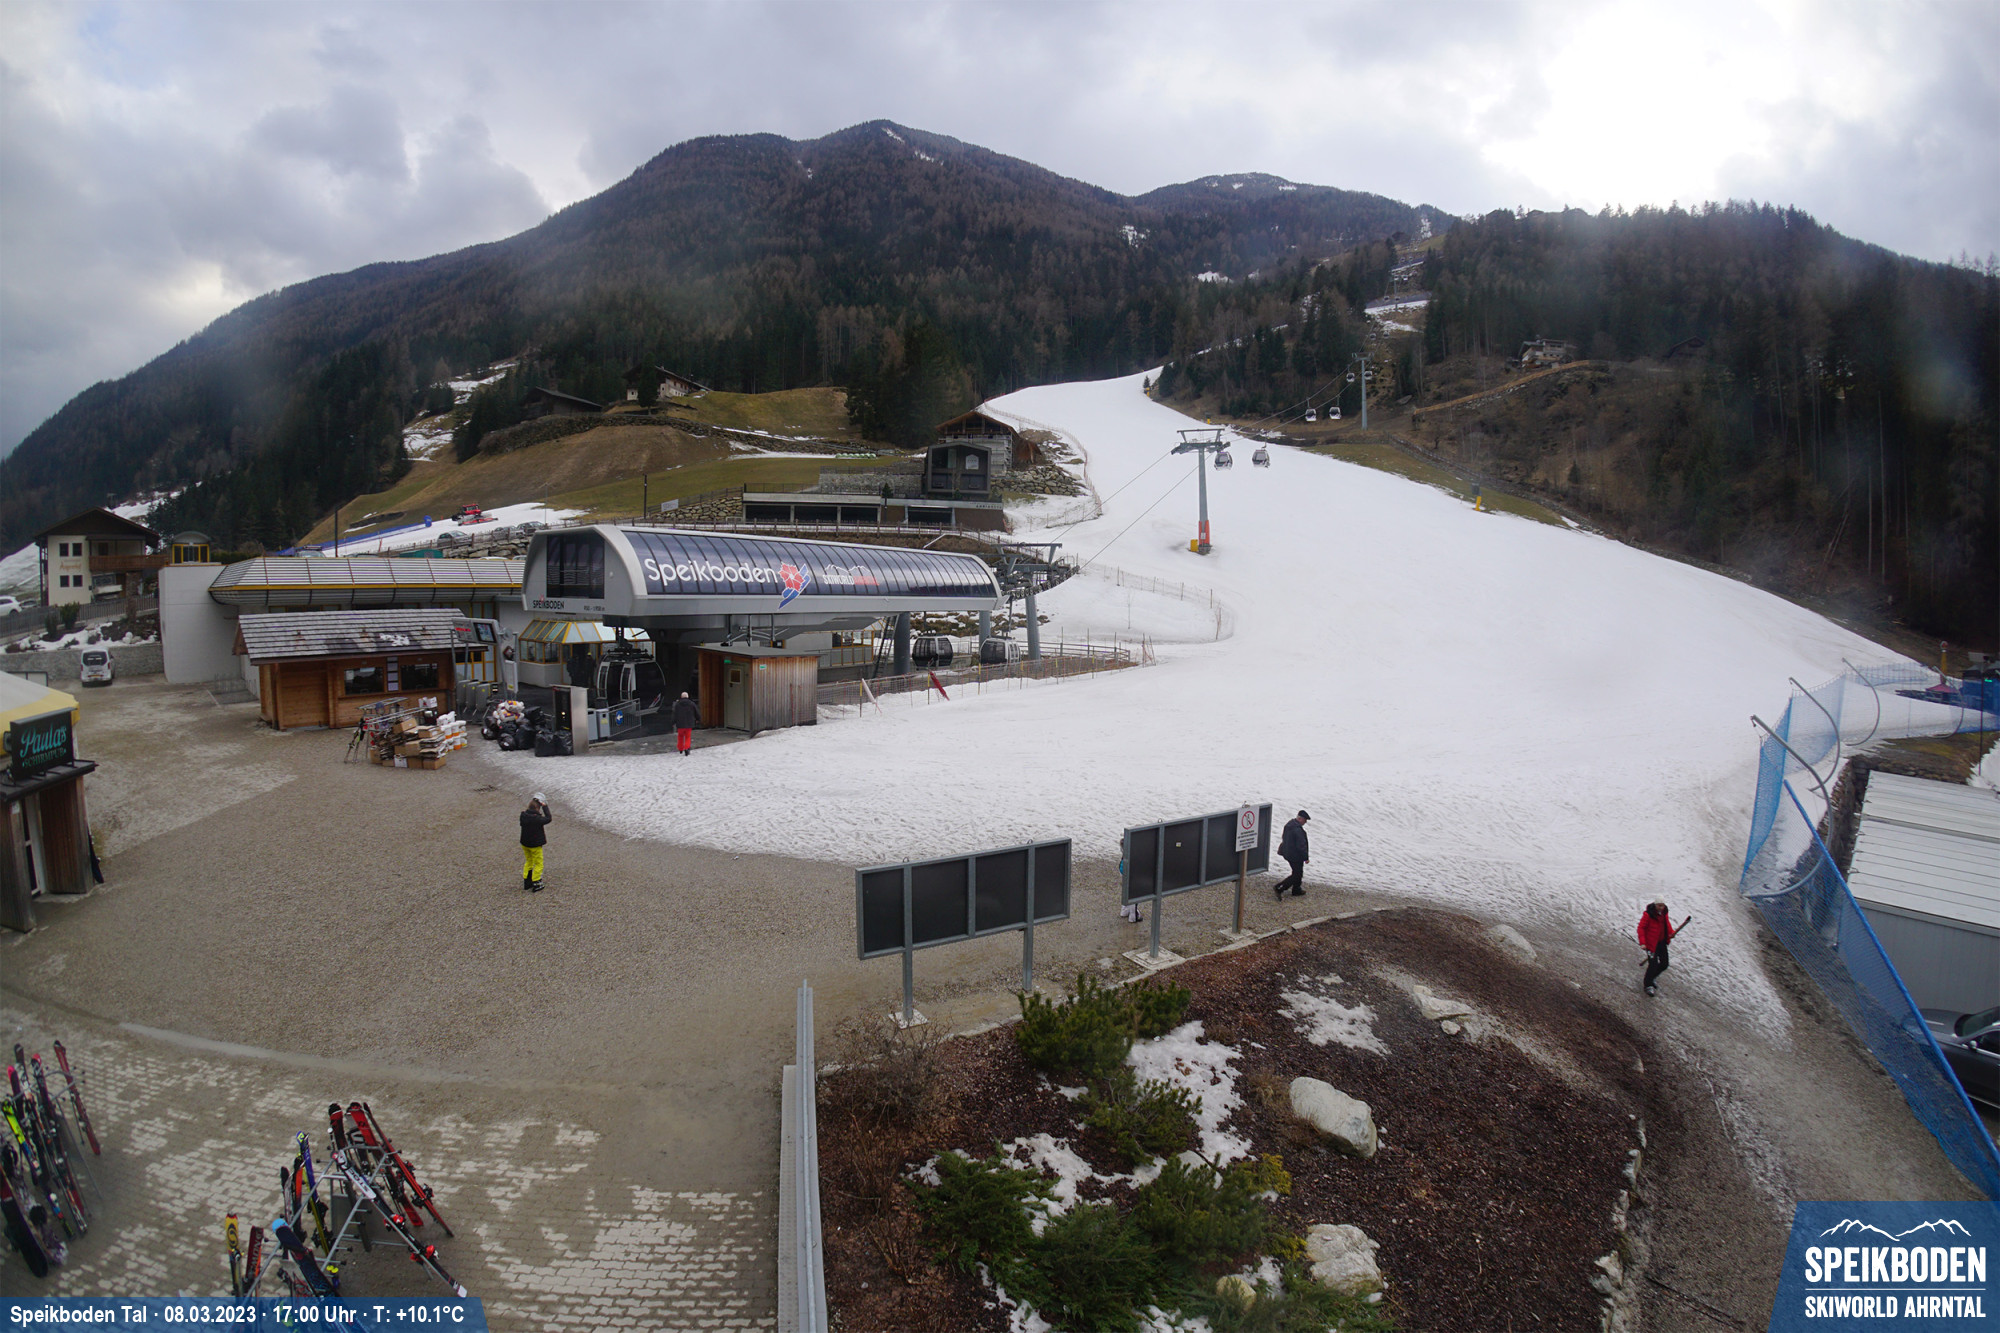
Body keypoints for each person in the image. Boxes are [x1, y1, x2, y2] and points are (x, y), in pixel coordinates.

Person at [1637, 901, 1678, 995]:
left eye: (1662, 906)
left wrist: (1671, 932)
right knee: (1653, 964)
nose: (1661, 908)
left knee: (1664, 963)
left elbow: (1666, 924)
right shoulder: (1648, 914)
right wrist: (1643, 942)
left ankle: (1652, 977)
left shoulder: (1664, 913)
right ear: (1655, 905)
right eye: (1659, 906)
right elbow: (1641, 928)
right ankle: (1648, 984)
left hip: (1661, 942)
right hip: (1651, 944)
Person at [520, 793, 552, 892]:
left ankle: (527, 881)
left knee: (529, 861)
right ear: (538, 808)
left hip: (525, 843)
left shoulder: (523, 816)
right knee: (538, 863)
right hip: (535, 845)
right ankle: (536, 881)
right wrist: (545, 806)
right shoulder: (537, 819)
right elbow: (548, 818)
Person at [1275, 810, 1310, 899]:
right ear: (1300, 819)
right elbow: (1301, 845)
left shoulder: (1289, 825)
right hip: (1295, 855)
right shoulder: (1297, 830)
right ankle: (1280, 887)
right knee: (1297, 874)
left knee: (1298, 872)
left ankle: (1296, 889)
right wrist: (1305, 857)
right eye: (1305, 820)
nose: (1305, 822)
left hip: (1287, 852)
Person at [671, 691, 701, 756]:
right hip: (689, 724)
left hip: (680, 724)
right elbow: (696, 712)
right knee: (688, 737)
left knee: (680, 736)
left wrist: (673, 722)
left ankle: (680, 748)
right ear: (687, 697)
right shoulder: (692, 703)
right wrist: (698, 719)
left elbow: (674, 714)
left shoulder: (677, 704)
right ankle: (687, 748)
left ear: (681, 697)